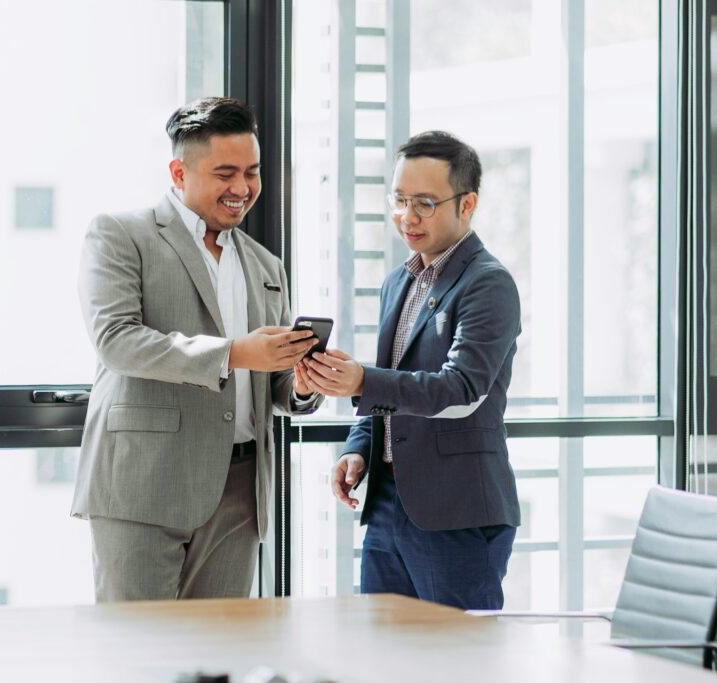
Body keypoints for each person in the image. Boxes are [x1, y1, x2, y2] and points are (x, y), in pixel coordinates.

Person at [71, 97, 323, 602]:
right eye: (225, 172)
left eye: (251, 172)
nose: (243, 188)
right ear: (179, 172)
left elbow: (267, 382)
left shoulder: (267, 265)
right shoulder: (121, 235)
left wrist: (298, 383)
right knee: (138, 652)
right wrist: (232, 353)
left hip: (241, 491)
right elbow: (116, 341)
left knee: (220, 654)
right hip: (144, 482)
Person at [299, 131, 521, 610]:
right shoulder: (399, 281)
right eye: (399, 200)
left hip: (456, 513)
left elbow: (461, 389)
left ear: (467, 205)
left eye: (424, 202)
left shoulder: (488, 284)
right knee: (385, 660)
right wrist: (359, 448)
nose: (407, 216)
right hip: (387, 505)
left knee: (458, 664)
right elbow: (393, 382)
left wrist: (361, 380)